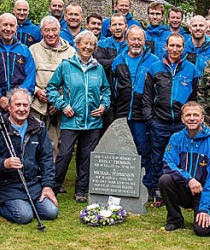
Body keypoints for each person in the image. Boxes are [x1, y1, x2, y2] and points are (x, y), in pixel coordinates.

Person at [47, 30, 111, 202]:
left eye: (92, 45)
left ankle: (80, 191)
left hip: (92, 121)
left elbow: (106, 90)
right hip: (71, 119)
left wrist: (104, 105)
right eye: (85, 43)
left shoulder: (98, 68)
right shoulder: (66, 65)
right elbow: (51, 88)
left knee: (86, 157)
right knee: (64, 155)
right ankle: (52, 187)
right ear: (77, 44)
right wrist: (62, 105)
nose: (88, 47)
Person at [0, 88, 59, 225]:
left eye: (25, 105)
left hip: (33, 184)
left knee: (51, 212)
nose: (22, 109)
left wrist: (47, 186)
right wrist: (4, 163)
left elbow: (46, 159)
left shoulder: (39, 128)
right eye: (17, 105)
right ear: (9, 107)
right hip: (8, 185)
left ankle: (26, 204)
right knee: (24, 217)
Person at [142, 32, 199, 204]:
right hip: (159, 121)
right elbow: (147, 96)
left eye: (178, 46)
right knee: (157, 156)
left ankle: (178, 190)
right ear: (166, 47)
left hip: (181, 125)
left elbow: (195, 97)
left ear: (183, 48)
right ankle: (155, 189)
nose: (175, 49)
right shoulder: (154, 67)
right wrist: (150, 120)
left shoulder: (191, 69)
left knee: (180, 157)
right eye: (172, 45)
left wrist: (190, 121)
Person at [158, 102, 210, 235]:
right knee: (165, 179)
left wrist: (204, 208)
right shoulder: (176, 138)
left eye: (195, 115)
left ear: (202, 118)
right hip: (184, 188)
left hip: (203, 192)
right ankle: (175, 219)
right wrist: (189, 179)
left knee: (203, 231)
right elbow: (168, 163)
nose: (192, 118)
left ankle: (209, 209)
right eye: (188, 115)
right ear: (182, 119)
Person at [110, 26, 159, 195]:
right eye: (133, 39)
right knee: (122, 150)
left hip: (142, 116)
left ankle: (146, 187)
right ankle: (123, 186)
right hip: (122, 113)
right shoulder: (118, 60)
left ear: (144, 41)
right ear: (127, 40)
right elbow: (113, 87)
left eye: (139, 39)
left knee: (143, 151)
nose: (136, 42)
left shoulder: (153, 61)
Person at [29, 16, 76, 158]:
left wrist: (59, 101)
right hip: (37, 106)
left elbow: (74, 81)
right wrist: (37, 91)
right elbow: (27, 77)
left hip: (59, 108)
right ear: (41, 31)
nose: (50, 34)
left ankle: (51, 177)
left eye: (54, 30)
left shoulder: (71, 52)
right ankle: (32, 175)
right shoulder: (33, 50)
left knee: (54, 144)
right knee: (33, 142)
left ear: (60, 30)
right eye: (46, 30)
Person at [0, 13, 37, 125]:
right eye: (5, 25)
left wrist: (17, 98)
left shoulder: (24, 50)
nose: (8, 29)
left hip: (19, 105)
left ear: (16, 28)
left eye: (12, 25)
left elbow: (30, 76)